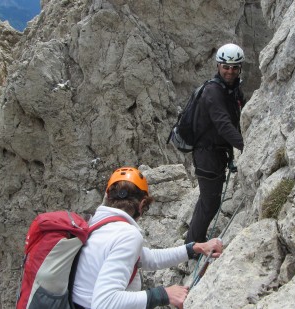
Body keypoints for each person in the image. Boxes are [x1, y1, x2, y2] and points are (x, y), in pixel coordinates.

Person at [72, 167, 224, 309]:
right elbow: (104, 303)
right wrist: (163, 295)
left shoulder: (97, 224)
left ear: (109, 198)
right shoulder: (126, 234)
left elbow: (147, 258)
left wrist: (193, 248)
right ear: (142, 203)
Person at [185, 43, 245, 244]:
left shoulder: (233, 90)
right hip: (206, 155)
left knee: (208, 199)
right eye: (226, 67)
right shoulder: (213, 91)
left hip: (217, 153)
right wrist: (245, 145)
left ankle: (193, 240)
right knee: (210, 201)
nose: (230, 71)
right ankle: (193, 245)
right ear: (218, 66)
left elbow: (239, 118)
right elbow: (223, 125)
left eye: (234, 67)